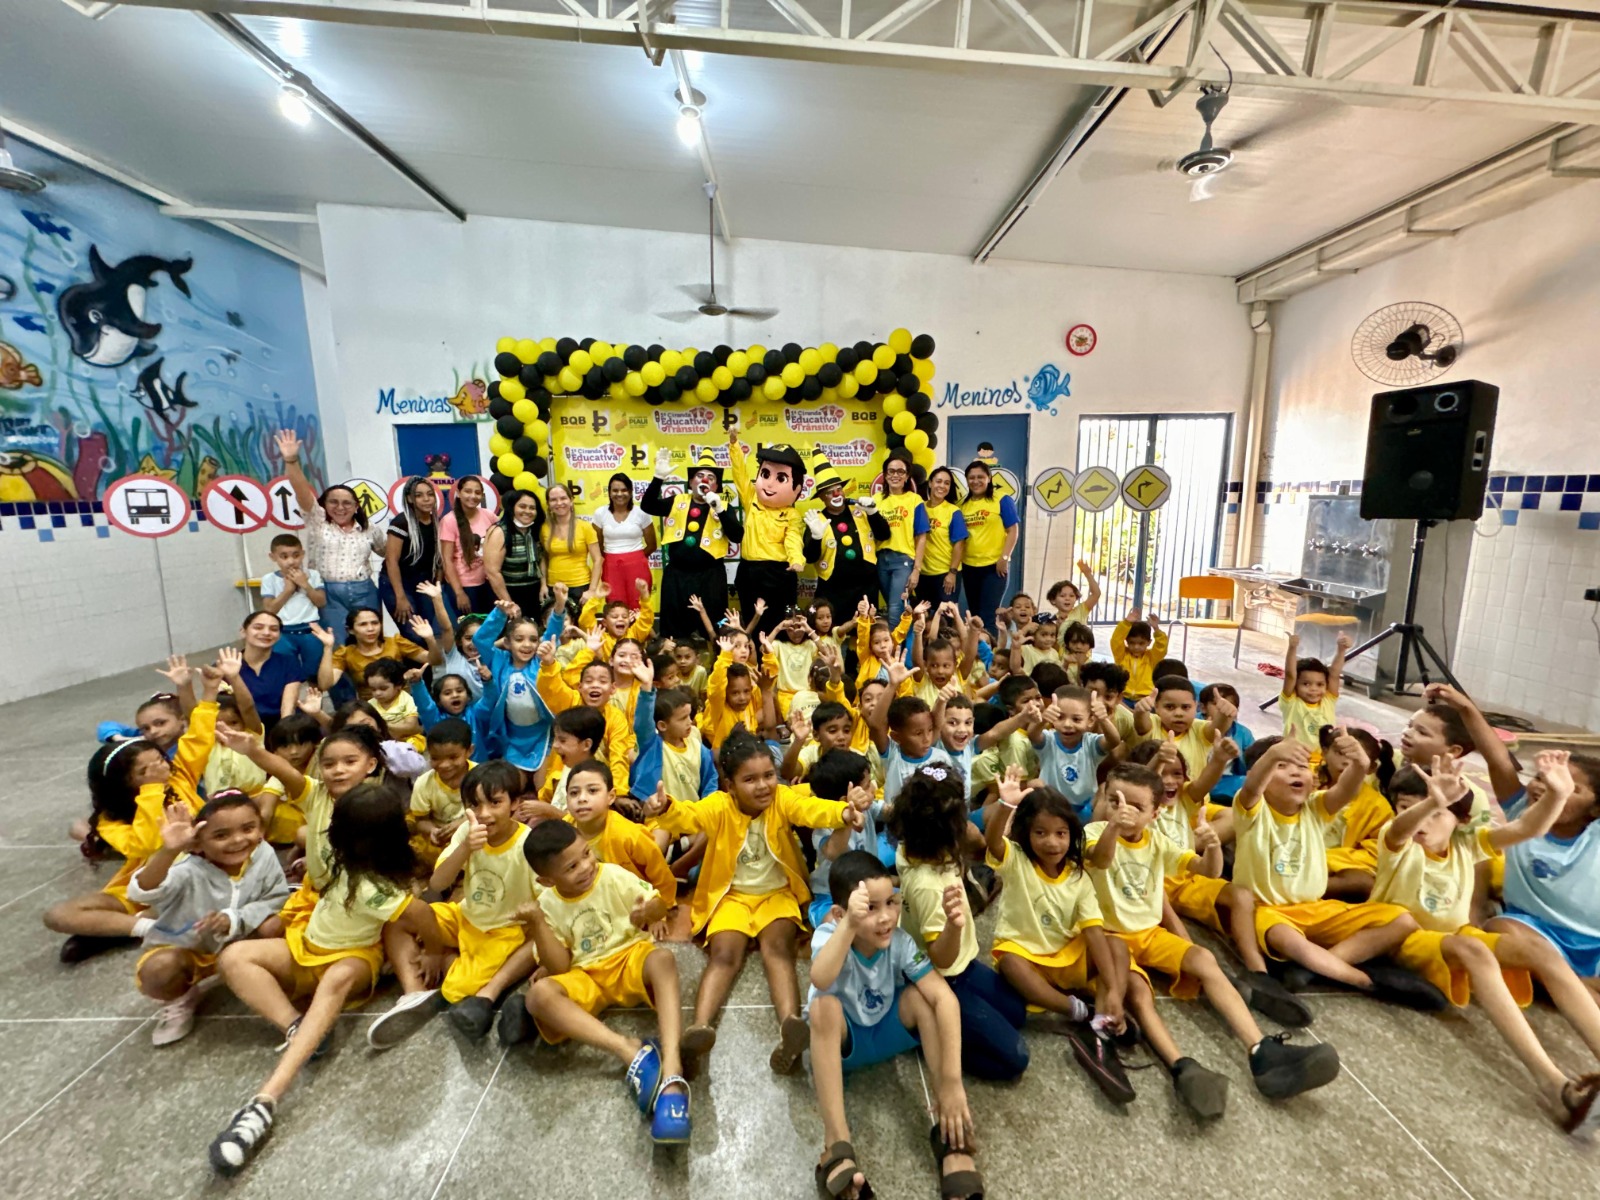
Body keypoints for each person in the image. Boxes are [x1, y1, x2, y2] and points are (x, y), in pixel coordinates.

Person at [206, 782, 447, 1176]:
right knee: (234, 956)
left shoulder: (374, 884)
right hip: (305, 946)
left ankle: (264, 1102)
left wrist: (435, 950)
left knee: (337, 978)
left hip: (353, 958)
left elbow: (420, 914)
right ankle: (297, 1026)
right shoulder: (340, 856)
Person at [1085, 764, 1341, 1116]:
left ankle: (1261, 1050)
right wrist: (1113, 825)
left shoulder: (1157, 842)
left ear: (1155, 814)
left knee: (1205, 959)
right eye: (1116, 801)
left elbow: (1207, 871)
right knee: (1140, 995)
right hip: (1110, 939)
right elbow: (1101, 860)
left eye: (1136, 806)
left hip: (1149, 933)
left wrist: (1213, 847)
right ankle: (1182, 1067)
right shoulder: (1094, 833)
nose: (1124, 811)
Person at [1372, 752, 1600, 1133]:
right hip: (1403, 938)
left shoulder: (1468, 844)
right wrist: (1432, 802)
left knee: (1540, 951)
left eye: (1437, 815)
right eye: (1407, 809)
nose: (1422, 822)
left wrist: (1558, 794)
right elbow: (1400, 830)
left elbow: (1528, 828)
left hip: (1456, 938)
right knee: (1473, 947)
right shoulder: (1397, 841)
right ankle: (1554, 1084)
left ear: (1461, 822)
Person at [642, 733, 867, 1076]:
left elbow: (812, 809)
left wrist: (844, 812)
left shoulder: (783, 799)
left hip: (777, 894)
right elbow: (688, 817)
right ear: (730, 786)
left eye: (768, 776)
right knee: (724, 955)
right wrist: (666, 808)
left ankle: (791, 1026)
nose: (763, 786)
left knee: (778, 951)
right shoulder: (718, 806)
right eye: (750, 779)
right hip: (729, 897)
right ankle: (699, 1029)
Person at [806, 851, 981, 1200]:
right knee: (822, 1007)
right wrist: (848, 927)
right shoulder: (829, 935)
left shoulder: (899, 942)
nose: (886, 917)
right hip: (846, 1045)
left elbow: (945, 999)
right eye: (870, 908)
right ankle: (837, 1143)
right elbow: (820, 978)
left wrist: (952, 1083)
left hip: (886, 1031)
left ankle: (950, 1135)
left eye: (891, 902)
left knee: (923, 998)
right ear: (840, 914)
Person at [1231, 735, 1441, 1007]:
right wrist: (1273, 755)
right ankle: (1366, 981)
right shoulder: (1252, 811)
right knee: (1286, 939)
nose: (1295, 772)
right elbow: (1251, 788)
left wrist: (1360, 764)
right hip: (1272, 912)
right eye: (1281, 766)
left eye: (1302, 766)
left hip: (1317, 908)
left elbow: (1347, 790)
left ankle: (1314, 968)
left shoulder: (1315, 808)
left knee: (1402, 920)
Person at [519, 819, 691, 1145]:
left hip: (629, 958)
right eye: (572, 867)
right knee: (538, 996)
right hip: (587, 975)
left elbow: (658, 906)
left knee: (664, 959)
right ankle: (626, 1049)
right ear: (547, 880)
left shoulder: (613, 875)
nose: (586, 866)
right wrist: (538, 923)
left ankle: (672, 1071)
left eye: (586, 853)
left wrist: (649, 911)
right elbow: (559, 967)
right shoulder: (548, 905)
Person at [45, 674, 221, 962]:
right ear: (123, 783)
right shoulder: (109, 820)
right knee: (57, 915)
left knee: (194, 903)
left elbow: (200, 737)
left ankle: (119, 929)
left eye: (160, 760)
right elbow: (146, 845)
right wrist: (152, 791)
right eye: (145, 771)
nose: (160, 769)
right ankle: (151, 929)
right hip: (145, 885)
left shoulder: (180, 776)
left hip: (201, 875)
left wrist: (210, 691)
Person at [889, 766, 1029, 1081]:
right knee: (1015, 1060)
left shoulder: (911, 847)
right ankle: (925, 1034)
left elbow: (984, 845)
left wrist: (1006, 805)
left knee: (1017, 1012)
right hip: (943, 975)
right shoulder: (929, 886)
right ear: (951, 828)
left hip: (964, 966)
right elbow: (940, 958)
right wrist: (953, 926)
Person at [126, 790, 290, 1045]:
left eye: (248, 829)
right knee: (160, 970)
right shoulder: (188, 868)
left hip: (240, 944)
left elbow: (276, 898)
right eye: (221, 835)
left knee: (274, 925)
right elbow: (142, 891)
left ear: (261, 829)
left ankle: (256, 978)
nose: (238, 840)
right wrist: (169, 852)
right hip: (189, 950)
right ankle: (180, 997)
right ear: (198, 842)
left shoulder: (264, 854)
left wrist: (234, 919)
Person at [421, 760, 542, 1041]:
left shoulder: (528, 844)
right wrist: (465, 848)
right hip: (464, 915)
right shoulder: (467, 832)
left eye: (495, 803)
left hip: (501, 931)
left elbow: (546, 906)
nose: (484, 814)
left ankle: (451, 963)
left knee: (458, 988)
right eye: (475, 805)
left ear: (514, 804)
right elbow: (437, 884)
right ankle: (435, 965)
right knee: (410, 914)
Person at [273, 429, 384, 638]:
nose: (340, 507)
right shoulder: (318, 521)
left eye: (347, 503)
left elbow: (389, 552)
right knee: (337, 640)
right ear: (324, 504)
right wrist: (291, 461)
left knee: (370, 638)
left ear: (356, 507)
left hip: (364, 590)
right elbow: (301, 491)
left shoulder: (370, 528)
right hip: (328, 592)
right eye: (334, 502)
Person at [641, 447, 742, 640]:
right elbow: (648, 505)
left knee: (715, 627)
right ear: (691, 482)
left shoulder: (724, 507)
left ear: (716, 486)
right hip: (677, 577)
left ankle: (717, 656)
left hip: (711, 578)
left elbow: (737, 536)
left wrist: (719, 510)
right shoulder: (677, 501)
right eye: (700, 476)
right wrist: (658, 478)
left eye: (711, 477)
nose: (705, 480)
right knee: (673, 629)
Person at [728, 421, 807, 641]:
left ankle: (777, 660)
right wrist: (734, 445)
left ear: (797, 488)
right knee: (751, 623)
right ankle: (752, 658)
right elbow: (740, 474)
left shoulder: (792, 514)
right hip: (749, 572)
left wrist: (797, 560)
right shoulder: (751, 499)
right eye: (765, 474)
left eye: (781, 478)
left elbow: (793, 539)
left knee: (780, 625)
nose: (770, 484)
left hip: (779, 574)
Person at [802, 455, 888, 622]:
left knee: (865, 630)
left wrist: (873, 513)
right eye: (829, 492)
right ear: (821, 497)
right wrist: (816, 537)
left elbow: (884, 535)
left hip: (865, 587)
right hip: (833, 590)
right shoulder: (816, 520)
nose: (836, 494)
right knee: (833, 631)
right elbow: (810, 557)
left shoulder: (860, 511)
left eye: (838, 489)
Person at [1032, 685, 1122, 822]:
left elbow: (1114, 741)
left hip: (1083, 808)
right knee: (1035, 786)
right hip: (1050, 806)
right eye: (1060, 717)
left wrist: (1103, 720)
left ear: (1090, 720)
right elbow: (1032, 734)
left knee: (1104, 791)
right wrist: (1044, 719)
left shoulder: (1091, 743)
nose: (1067, 724)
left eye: (1076, 719)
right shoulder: (1048, 740)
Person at [314, 607, 431, 702]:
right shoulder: (345, 653)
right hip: (372, 710)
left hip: (406, 704)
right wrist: (328, 648)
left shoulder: (395, 642)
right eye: (363, 624)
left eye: (375, 623)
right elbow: (324, 685)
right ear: (350, 630)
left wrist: (430, 639)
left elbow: (434, 660)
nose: (370, 629)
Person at [958, 459, 1019, 637]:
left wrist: (1004, 558)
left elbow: (1013, 530)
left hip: (994, 567)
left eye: (980, 477)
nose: (976, 481)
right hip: (969, 567)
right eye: (971, 478)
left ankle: (990, 652)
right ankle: (976, 650)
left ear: (989, 478)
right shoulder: (962, 505)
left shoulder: (1002, 499)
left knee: (988, 616)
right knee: (975, 615)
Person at [257, 534, 327, 681]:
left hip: (310, 631)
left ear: (302, 554)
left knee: (314, 673)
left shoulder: (313, 575)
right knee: (285, 673)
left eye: (296, 555)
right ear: (273, 557)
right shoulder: (269, 579)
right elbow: (269, 610)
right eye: (284, 556)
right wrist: (288, 590)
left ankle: (315, 695)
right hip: (283, 633)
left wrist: (305, 585)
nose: (291, 561)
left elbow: (321, 602)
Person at [874, 448, 929, 626]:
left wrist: (916, 570)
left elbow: (921, 537)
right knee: (894, 608)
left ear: (907, 476)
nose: (895, 475)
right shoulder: (876, 500)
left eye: (900, 471)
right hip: (881, 560)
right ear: (885, 475)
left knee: (895, 609)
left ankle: (896, 645)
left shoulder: (915, 500)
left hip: (903, 561)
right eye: (891, 471)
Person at [381, 476, 443, 629]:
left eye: (430, 494)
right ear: (409, 498)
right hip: (398, 583)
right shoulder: (401, 523)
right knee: (413, 632)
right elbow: (391, 561)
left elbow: (439, 560)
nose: (426, 499)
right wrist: (400, 597)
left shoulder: (437, 522)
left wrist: (437, 586)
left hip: (424, 582)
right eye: (419, 495)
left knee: (428, 629)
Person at [1281, 632, 1351, 757]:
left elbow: (1334, 674)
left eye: (1319, 684)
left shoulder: (1328, 700)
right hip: (1296, 758)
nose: (1313, 689)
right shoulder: (1291, 702)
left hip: (1325, 759)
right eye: (1306, 684)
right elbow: (1290, 675)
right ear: (1296, 685)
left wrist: (1341, 650)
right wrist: (1292, 648)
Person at [483, 488, 549, 620]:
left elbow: (541, 559)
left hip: (533, 593)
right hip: (507, 594)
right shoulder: (500, 531)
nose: (527, 511)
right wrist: (509, 604)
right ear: (512, 508)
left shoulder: (534, 530)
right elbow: (492, 572)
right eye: (522, 506)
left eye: (532, 508)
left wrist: (543, 584)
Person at [439, 474, 499, 617]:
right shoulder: (449, 521)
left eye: (477, 492)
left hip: (488, 583)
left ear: (482, 496)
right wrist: (459, 593)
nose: (473, 496)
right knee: (470, 627)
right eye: (468, 491)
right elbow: (447, 560)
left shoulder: (489, 516)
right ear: (458, 493)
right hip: (465, 587)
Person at [232, 611, 303, 728]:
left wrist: (283, 732)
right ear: (243, 631)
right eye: (258, 627)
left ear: (279, 635)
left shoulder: (288, 662)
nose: (266, 633)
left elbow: (288, 708)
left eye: (274, 629)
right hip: (243, 727)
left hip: (281, 726)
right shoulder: (227, 664)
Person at [593, 471, 657, 602]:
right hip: (611, 567)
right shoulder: (600, 513)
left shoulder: (641, 513)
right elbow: (597, 546)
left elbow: (652, 545)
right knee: (614, 606)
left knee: (639, 604)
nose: (619, 494)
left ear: (631, 491)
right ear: (609, 492)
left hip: (637, 566)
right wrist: (612, 558)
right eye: (615, 490)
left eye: (624, 490)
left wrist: (635, 558)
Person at [542, 482, 601, 615]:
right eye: (553, 500)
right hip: (553, 588)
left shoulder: (585, 527)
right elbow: (544, 559)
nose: (559, 503)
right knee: (556, 624)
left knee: (581, 625)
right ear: (548, 504)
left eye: (563, 498)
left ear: (571, 500)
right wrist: (543, 584)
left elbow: (597, 560)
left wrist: (592, 590)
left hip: (580, 587)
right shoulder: (544, 528)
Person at [914, 465, 967, 611]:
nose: (942, 486)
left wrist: (952, 573)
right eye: (938, 481)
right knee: (923, 617)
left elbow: (960, 544)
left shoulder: (953, 511)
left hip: (945, 574)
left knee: (946, 617)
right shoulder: (919, 507)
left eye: (947, 483)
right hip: (923, 574)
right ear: (930, 483)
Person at [1110, 609, 1168, 703]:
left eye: (1141, 643)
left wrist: (1156, 629)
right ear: (1126, 641)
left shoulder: (1152, 657)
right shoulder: (1121, 655)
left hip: (1145, 698)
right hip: (1123, 697)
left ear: (1149, 642)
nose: (1136, 647)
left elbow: (1161, 646)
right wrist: (1126, 623)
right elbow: (1116, 640)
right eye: (1132, 643)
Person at [1047, 561, 1102, 629]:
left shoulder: (1081, 611)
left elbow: (1096, 594)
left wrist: (1088, 574)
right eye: (1062, 596)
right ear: (1053, 600)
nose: (1067, 598)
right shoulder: (1052, 621)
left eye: (1071, 596)